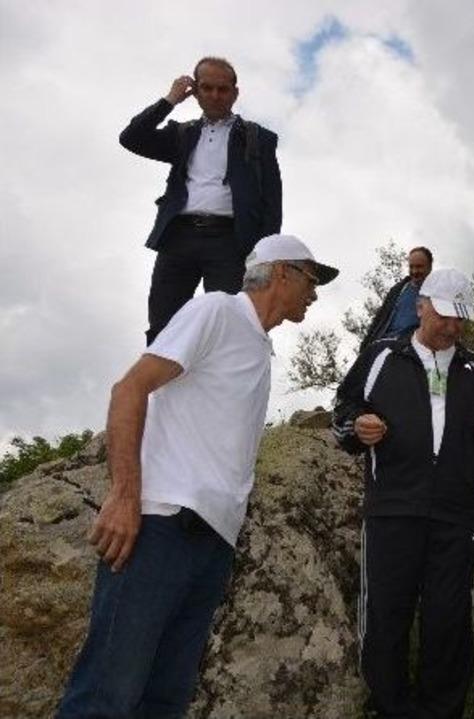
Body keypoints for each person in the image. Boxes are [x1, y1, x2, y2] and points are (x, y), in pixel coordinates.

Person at [56, 234, 337, 718]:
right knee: (107, 695)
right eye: (312, 279)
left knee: (164, 700)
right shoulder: (217, 311)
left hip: (211, 542)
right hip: (162, 524)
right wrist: (125, 497)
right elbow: (130, 389)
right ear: (281, 273)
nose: (315, 293)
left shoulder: (257, 345)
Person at [332, 268, 474, 719]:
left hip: (456, 512)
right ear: (421, 307)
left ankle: (443, 709)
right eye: (444, 315)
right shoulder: (379, 357)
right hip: (392, 508)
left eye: (460, 318)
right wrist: (358, 426)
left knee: (449, 617)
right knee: (386, 614)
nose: (452, 326)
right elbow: (345, 412)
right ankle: (391, 706)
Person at [120, 56, 283, 345]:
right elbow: (132, 138)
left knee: (233, 325)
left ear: (235, 92)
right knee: (164, 325)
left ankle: (224, 389)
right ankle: (161, 389)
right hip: (178, 239)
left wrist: (264, 256)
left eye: (223, 89)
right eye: (206, 88)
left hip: (231, 243)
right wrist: (169, 100)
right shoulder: (182, 135)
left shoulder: (259, 139)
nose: (215, 95)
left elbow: (272, 202)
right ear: (195, 92)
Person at [360, 246, 434, 349]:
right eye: (411, 267)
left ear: (430, 267)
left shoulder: (436, 295)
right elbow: (379, 320)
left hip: (408, 350)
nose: (414, 271)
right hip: (381, 345)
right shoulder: (398, 290)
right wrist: (364, 347)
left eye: (419, 267)